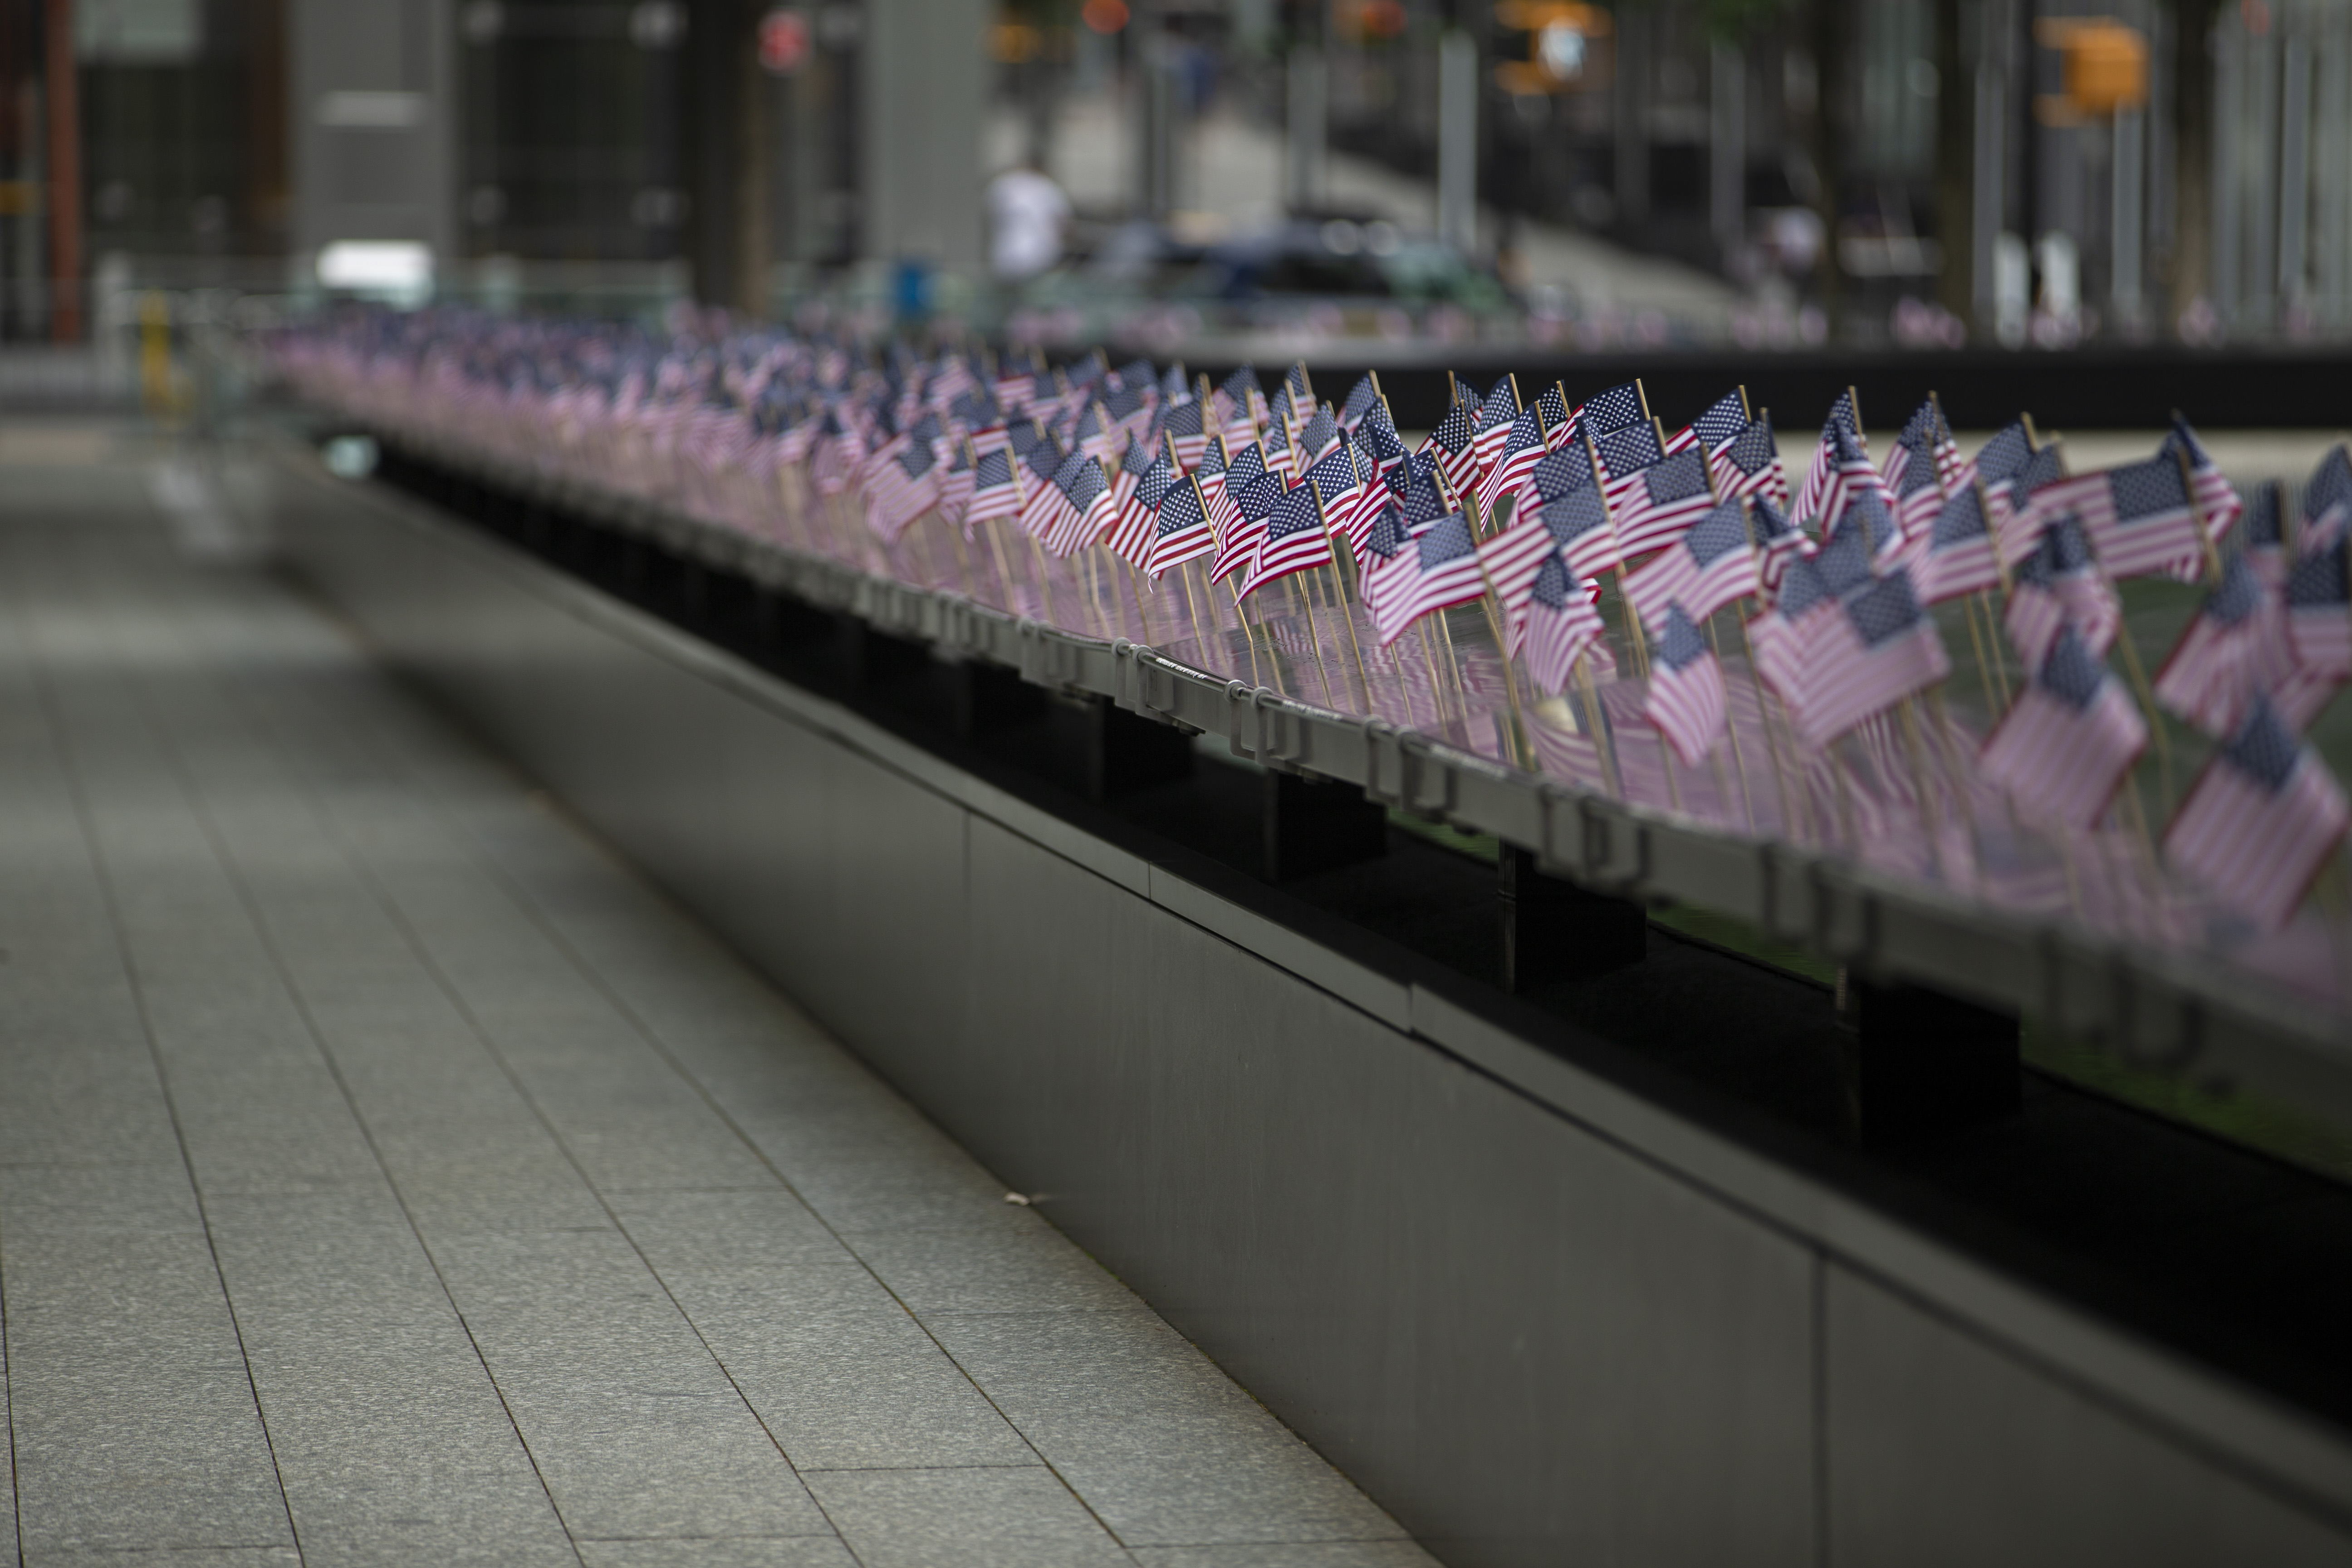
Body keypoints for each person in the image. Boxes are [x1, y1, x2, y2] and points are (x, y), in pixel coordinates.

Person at [987, 160, 1070, 284]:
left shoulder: (1001, 184)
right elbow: (1064, 222)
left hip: (1004, 257)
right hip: (1040, 256)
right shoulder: (1047, 186)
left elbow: (990, 216)